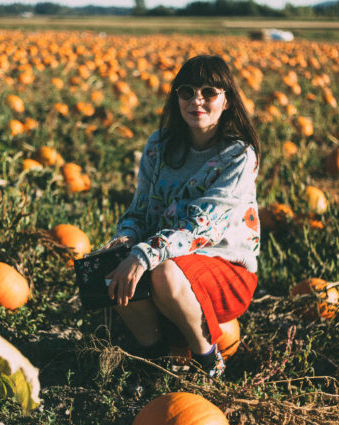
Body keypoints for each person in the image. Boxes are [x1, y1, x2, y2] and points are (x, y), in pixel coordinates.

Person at [102, 55, 261, 378]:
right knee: (109, 265)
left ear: (227, 100)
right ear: (176, 98)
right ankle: (155, 358)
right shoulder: (158, 146)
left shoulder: (239, 155)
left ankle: (207, 357)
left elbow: (203, 228)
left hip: (225, 269)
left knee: (163, 271)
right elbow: (140, 211)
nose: (196, 100)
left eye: (209, 92)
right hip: (166, 259)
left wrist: (143, 254)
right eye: (187, 92)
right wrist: (124, 241)